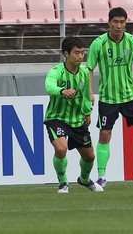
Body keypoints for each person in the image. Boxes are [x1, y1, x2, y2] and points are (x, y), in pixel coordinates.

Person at [88, 7, 133, 187]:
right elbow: (89, 69)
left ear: (126, 23)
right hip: (108, 98)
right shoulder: (99, 43)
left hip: (130, 96)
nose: (118, 26)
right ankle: (101, 176)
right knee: (105, 134)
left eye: (122, 22)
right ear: (109, 22)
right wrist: (89, 92)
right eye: (115, 22)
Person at [44, 36, 103, 193]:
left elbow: (85, 95)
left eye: (82, 53)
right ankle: (63, 183)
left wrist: (87, 113)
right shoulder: (56, 71)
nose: (80, 56)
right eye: (76, 53)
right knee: (61, 149)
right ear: (66, 53)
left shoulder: (84, 72)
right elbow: (49, 87)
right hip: (56, 118)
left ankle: (84, 179)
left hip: (77, 120)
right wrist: (62, 91)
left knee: (90, 157)